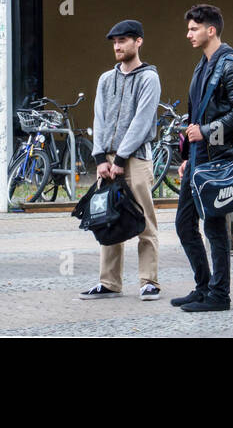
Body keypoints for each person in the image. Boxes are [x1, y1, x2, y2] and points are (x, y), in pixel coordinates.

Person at [173, 4, 233, 313]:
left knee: (215, 228)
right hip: (198, 160)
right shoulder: (203, 64)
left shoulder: (229, 64)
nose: (188, 34)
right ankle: (204, 286)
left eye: (194, 29)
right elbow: (195, 113)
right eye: (189, 28)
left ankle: (219, 295)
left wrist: (206, 132)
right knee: (184, 224)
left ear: (211, 30)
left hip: (218, 159)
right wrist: (187, 154)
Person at [79, 20, 163, 301]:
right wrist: (100, 157)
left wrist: (122, 158)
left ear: (138, 42)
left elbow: (141, 122)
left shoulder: (149, 78)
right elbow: (99, 118)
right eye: (114, 41)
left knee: (144, 219)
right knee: (107, 219)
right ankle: (109, 282)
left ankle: (148, 281)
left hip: (136, 158)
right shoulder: (106, 79)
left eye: (124, 40)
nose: (118, 45)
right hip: (108, 160)